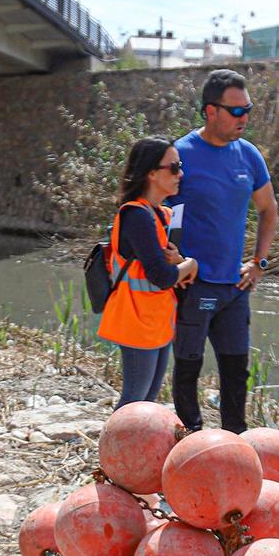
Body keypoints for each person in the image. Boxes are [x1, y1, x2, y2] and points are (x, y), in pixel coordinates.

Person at [169, 69, 279, 434]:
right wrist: (174, 262)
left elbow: (268, 209)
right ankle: (190, 445)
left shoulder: (248, 155)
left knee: (237, 370)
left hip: (235, 288)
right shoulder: (180, 155)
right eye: (235, 111)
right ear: (209, 111)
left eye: (247, 109)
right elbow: (157, 212)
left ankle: (235, 445)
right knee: (188, 367)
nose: (244, 118)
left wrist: (259, 262)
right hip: (195, 286)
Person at [97, 138, 198, 410]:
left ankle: (130, 451)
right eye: (174, 167)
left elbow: (172, 268)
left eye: (181, 166)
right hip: (135, 319)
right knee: (134, 401)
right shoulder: (135, 215)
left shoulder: (164, 215)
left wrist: (182, 262)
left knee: (147, 401)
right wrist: (190, 265)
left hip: (157, 319)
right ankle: (113, 451)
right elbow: (162, 276)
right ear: (151, 173)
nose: (181, 173)